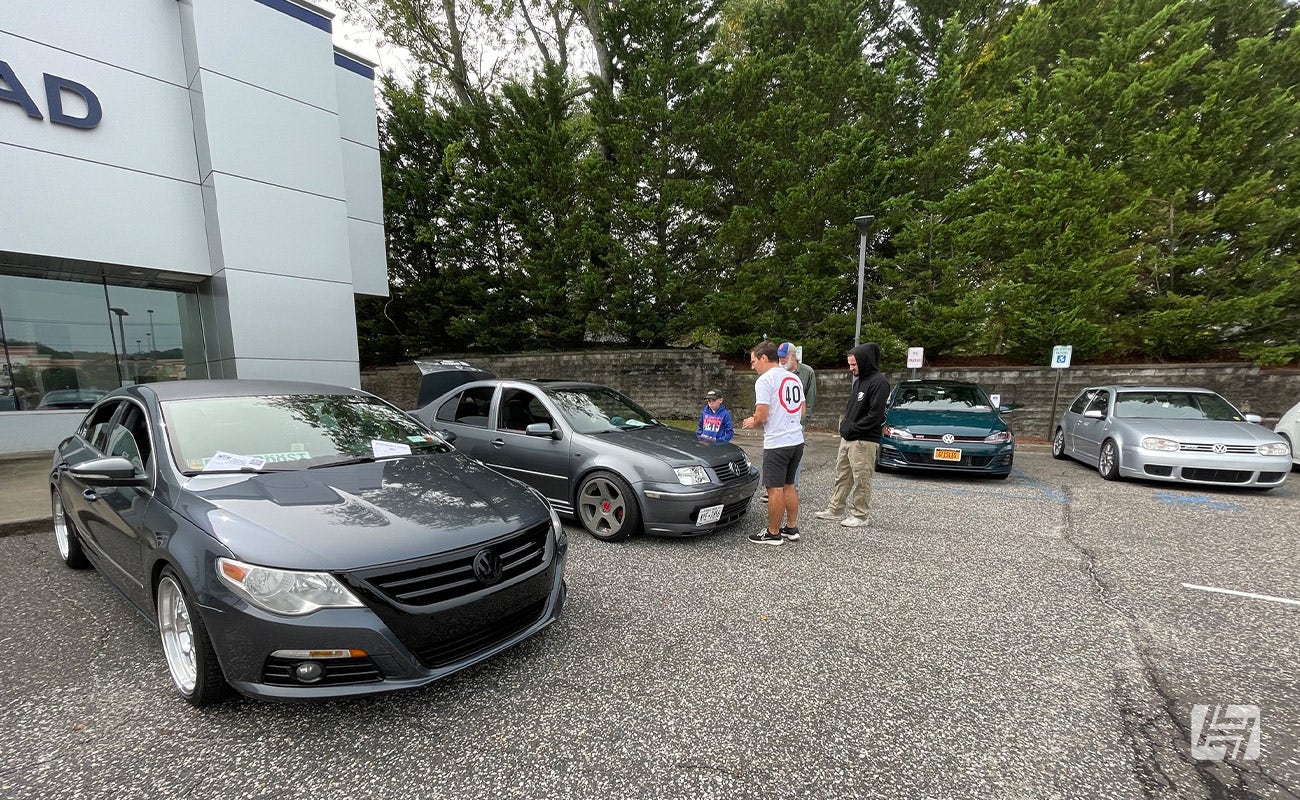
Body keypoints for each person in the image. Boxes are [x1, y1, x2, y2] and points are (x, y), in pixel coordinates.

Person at [814, 342, 889, 528]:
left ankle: (860, 515)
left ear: (865, 361)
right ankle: (835, 508)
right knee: (842, 474)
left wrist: (853, 428)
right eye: (849, 364)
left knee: (861, 478)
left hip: (864, 440)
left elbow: (876, 415)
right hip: (848, 437)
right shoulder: (859, 381)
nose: (851, 368)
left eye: (854, 364)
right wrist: (845, 427)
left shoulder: (879, 382)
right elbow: (852, 409)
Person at [741, 341, 805, 545]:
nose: (752, 367)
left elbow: (761, 415)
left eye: (753, 361)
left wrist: (753, 421)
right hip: (796, 439)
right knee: (789, 485)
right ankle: (791, 527)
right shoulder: (793, 377)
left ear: (764, 358)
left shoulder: (765, 380)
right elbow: (802, 410)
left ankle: (773, 532)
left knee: (774, 488)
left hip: (777, 442)